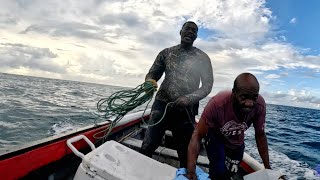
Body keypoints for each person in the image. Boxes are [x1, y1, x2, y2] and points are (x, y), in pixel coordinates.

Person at [140, 21, 214, 168]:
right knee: (149, 144)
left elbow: (207, 85)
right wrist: (149, 82)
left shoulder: (202, 57)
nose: (190, 32)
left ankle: (184, 175)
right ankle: (139, 171)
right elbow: (152, 74)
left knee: (186, 152)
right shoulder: (166, 53)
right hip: (161, 106)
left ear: (196, 36)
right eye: (187, 29)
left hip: (186, 111)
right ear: (180, 32)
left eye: (194, 31)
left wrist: (189, 98)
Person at [186, 73, 271, 180]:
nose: (249, 103)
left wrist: (267, 168)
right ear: (234, 93)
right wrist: (191, 170)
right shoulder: (217, 103)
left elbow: (260, 136)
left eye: (254, 98)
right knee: (218, 171)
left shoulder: (260, 105)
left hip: (236, 140)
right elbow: (197, 135)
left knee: (232, 170)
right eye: (244, 97)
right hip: (216, 136)